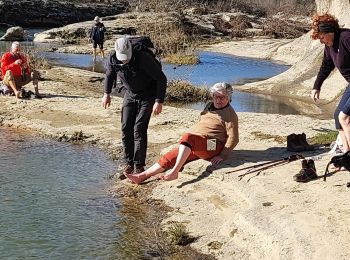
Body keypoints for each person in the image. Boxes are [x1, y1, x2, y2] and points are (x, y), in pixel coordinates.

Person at [126, 82, 239, 184]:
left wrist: (222, 155)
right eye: (216, 96)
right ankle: (142, 176)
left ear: (229, 97)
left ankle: (175, 172)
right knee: (171, 155)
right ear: (212, 95)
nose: (218, 100)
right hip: (201, 142)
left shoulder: (230, 114)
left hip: (213, 145)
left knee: (188, 137)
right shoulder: (209, 105)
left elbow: (234, 138)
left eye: (222, 97)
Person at [102, 36, 167, 177]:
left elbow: (161, 78)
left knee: (139, 128)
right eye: (122, 57)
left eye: (126, 57)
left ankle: (139, 166)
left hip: (148, 94)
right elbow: (109, 75)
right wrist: (106, 94)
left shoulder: (143, 58)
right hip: (130, 93)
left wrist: (159, 101)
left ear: (131, 50)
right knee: (126, 127)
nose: (124, 60)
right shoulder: (113, 59)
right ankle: (128, 163)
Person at [311, 14, 350, 152]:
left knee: (344, 118)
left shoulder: (346, 38)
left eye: (322, 37)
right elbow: (326, 65)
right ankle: (346, 155)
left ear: (330, 32)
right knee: (337, 117)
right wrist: (317, 86)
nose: (321, 41)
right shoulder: (329, 45)